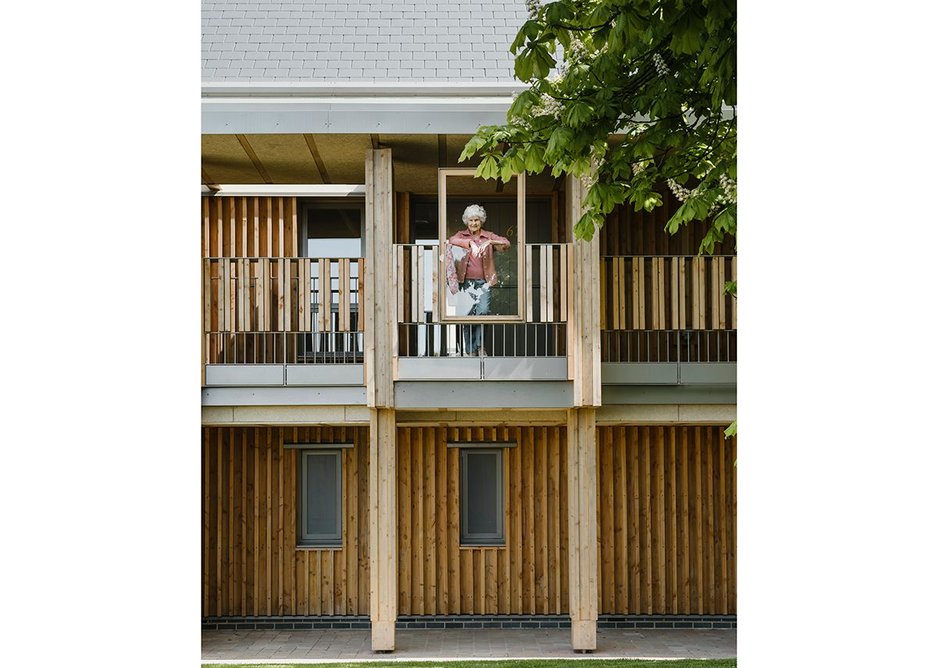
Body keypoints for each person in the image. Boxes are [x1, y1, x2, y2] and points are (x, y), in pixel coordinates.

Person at [447, 204, 510, 356]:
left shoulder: (488, 235)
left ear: (481, 221)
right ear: (466, 222)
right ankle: (470, 351)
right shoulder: (461, 235)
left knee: (483, 312)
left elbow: (506, 243)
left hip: (484, 283)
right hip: (465, 284)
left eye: (476, 220)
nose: (474, 223)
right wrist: (468, 243)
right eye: (471, 220)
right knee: (467, 315)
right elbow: (451, 240)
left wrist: (491, 242)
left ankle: (480, 346)